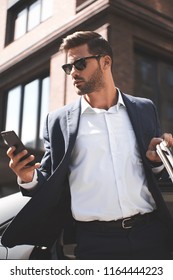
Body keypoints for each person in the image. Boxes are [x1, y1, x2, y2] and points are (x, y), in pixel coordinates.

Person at [2, 31, 173, 260]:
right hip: (95, 243)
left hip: (151, 234)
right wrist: (27, 176)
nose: (73, 72)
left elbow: (154, 173)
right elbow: (47, 179)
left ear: (106, 61)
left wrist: (156, 161)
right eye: (68, 67)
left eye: (79, 64)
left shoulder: (144, 108)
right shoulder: (58, 121)